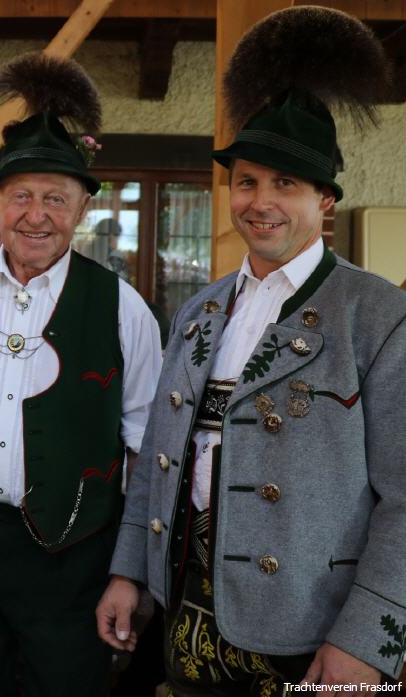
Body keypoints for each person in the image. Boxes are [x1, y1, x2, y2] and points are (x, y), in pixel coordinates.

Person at [97, 8, 406, 695]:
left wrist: (368, 638)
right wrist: (129, 572)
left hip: (319, 629)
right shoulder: (201, 310)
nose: (260, 202)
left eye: (285, 184)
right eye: (246, 181)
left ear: (325, 200)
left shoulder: (379, 313)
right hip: (188, 612)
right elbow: (156, 459)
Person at [0, 54, 162, 697]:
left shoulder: (122, 307)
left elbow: (144, 451)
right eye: (21, 196)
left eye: (55, 198)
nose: (36, 215)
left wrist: (130, 571)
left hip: (73, 555)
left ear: (80, 211)